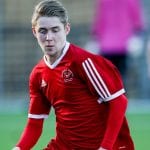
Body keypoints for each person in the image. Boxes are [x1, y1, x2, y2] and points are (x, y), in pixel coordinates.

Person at [12, 0, 135, 149]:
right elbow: (34, 124)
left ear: (66, 29)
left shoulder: (83, 62)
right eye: (43, 31)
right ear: (34, 32)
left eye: (55, 30)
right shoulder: (38, 74)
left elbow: (119, 102)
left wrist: (105, 147)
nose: (49, 37)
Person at [91, 0, 145, 79]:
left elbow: (99, 20)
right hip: (123, 46)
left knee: (108, 79)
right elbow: (137, 21)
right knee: (121, 78)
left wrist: (95, 38)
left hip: (106, 46)